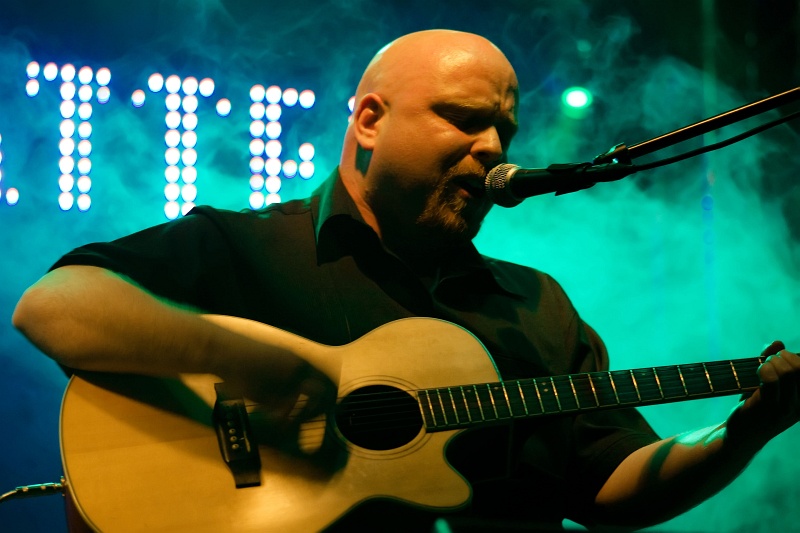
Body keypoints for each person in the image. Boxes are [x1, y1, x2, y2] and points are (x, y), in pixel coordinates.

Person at [12, 29, 800, 531]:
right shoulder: (243, 245)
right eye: (463, 119)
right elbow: (54, 306)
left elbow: (609, 482)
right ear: (369, 121)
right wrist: (264, 366)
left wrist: (742, 433)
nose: (493, 147)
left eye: (505, 130)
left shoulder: (536, 304)